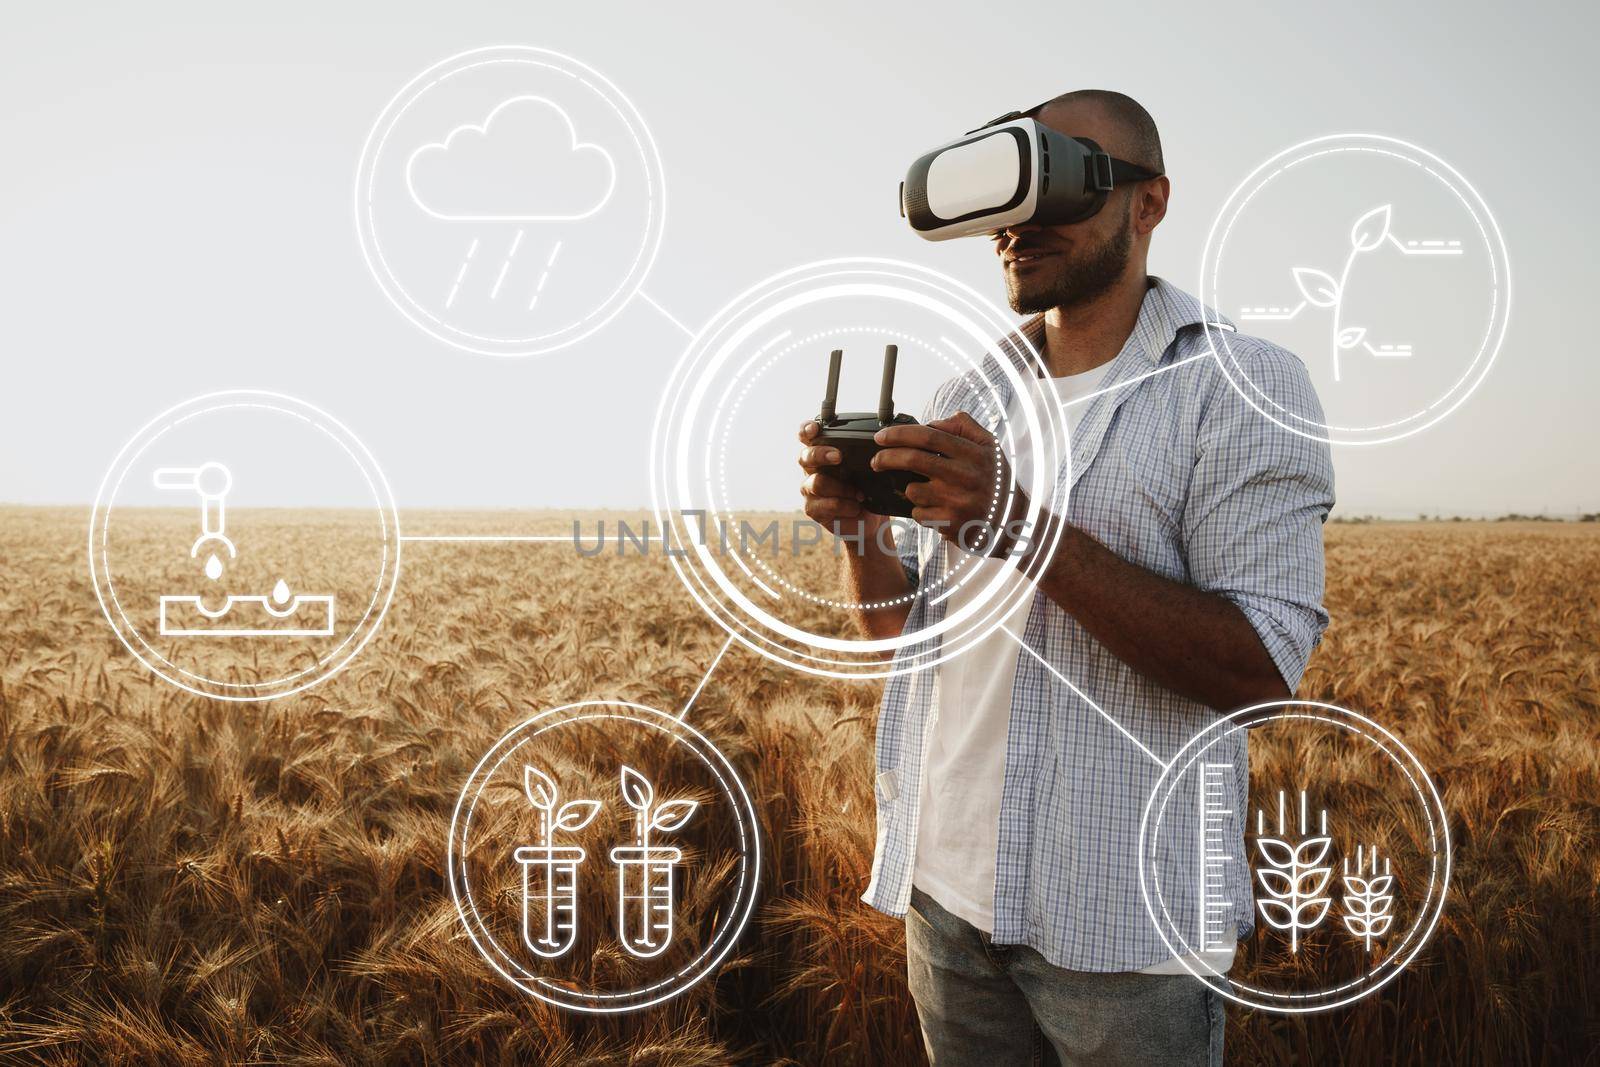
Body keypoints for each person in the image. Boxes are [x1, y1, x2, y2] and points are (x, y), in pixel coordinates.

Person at [797, 90, 1334, 1065]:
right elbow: (905, 645)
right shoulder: (968, 397)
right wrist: (855, 536)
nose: (1018, 221)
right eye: (1005, 188)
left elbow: (1257, 670)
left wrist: (1018, 524)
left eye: (1062, 177)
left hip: (1122, 935)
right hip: (945, 902)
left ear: (1148, 203)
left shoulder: (1242, 387)